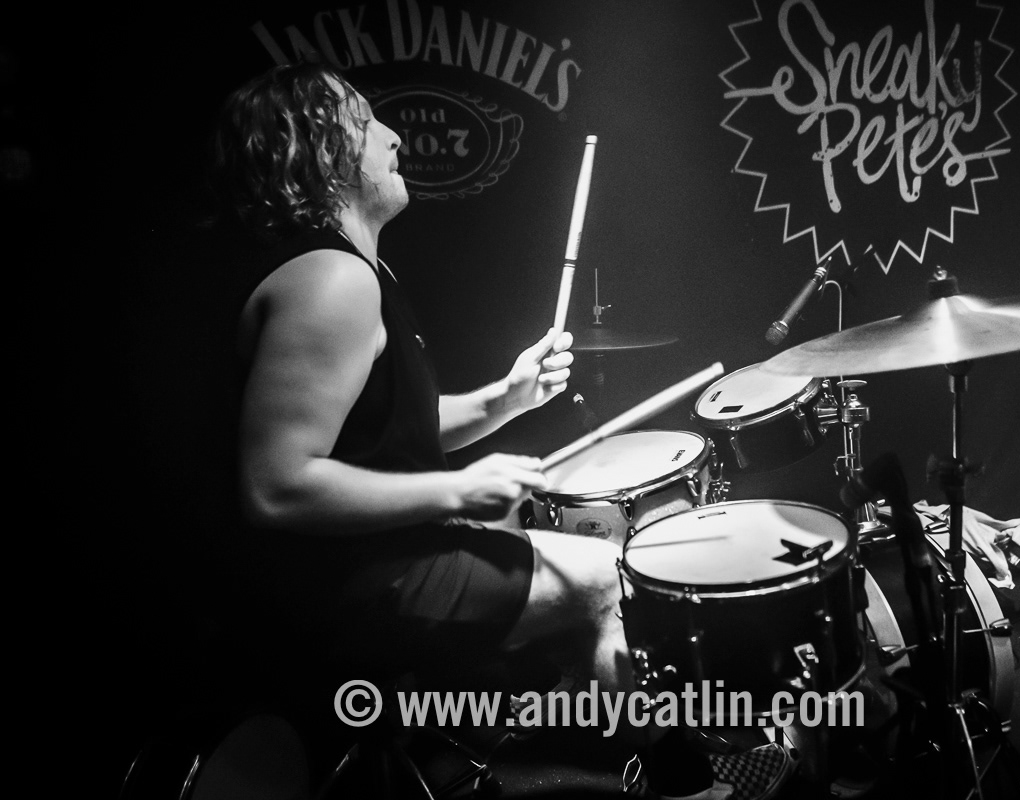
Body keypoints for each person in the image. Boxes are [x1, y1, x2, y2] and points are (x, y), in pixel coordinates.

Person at [207, 61, 787, 800]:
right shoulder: (332, 280)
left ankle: (597, 748)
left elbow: (386, 432)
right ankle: (683, 785)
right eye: (364, 119)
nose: (391, 135)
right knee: (604, 578)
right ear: (320, 148)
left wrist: (505, 400)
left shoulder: (353, 272)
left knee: (561, 553)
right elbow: (278, 486)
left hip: (369, 561)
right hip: (349, 585)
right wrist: (456, 490)